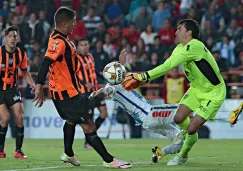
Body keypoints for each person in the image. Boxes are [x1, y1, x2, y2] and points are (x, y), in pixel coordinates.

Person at [32, 7, 132, 168]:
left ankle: (68, 154)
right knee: (89, 125)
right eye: (73, 22)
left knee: (71, 121)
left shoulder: (60, 38)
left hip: (67, 92)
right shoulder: (59, 41)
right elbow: (46, 62)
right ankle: (109, 160)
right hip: (67, 93)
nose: (75, 24)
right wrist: (38, 86)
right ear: (64, 23)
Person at [121, 19, 226, 165]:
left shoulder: (195, 45)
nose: (176, 32)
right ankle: (189, 135)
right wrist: (145, 79)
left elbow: (170, 65)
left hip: (213, 92)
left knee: (192, 127)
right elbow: (166, 65)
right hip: (196, 89)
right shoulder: (178, 48)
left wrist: (143, 76)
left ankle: (182, 155)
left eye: (179, 29)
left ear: (189, 32)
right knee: (178, 119)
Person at [88, 61, 186, 163]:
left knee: (180, 141)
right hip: (150, 114)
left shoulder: (118, 84)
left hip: (146, 122)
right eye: (121, 71)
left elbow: (109, 88)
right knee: (186, 107)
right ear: (116, 75)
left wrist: (100, 90)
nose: (124, 72)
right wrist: (103, 91)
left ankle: (161, 152)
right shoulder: (113, 86)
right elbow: (109, 89)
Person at [0, 25, 36, 159]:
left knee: (20, 117)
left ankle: (18, 151)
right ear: (5, 39)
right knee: (5, 118)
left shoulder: (21, 54)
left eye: (15, 36)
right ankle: (0, 150)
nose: (13, 39)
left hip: (12, 89)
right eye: (10, 36)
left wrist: (32, 84)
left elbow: (25, 73)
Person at [76, 38, 108, 148]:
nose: (84, 46)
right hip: (85, 93)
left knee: (104, 113)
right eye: (82, 44)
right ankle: (88, 141)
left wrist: (103, 76)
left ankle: (92, 136)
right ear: (78, 47)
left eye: (86, 44)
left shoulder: (90, 56)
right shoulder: (76, 59)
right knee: (90, 119)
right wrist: (85, 83)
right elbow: (73, 76)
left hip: (96, 90)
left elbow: (93, 71)